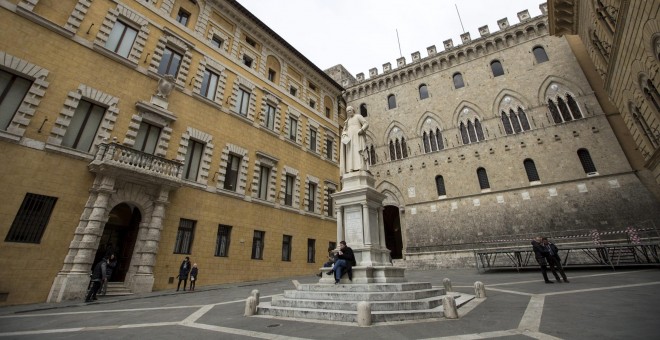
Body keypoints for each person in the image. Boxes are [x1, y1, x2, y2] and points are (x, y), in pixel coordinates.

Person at [339, 106, 369, 176]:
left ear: (353, 110)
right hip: (350, 140)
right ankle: (351, 168)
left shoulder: (358, 116)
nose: (349, 112)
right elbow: (345, 130)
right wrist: (344, 135)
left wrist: (362, 130)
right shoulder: (347, 121)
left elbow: (366, 123)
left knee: (358, 151)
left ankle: (360, 167)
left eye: (350, 110)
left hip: (358, 137)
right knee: (350, 153)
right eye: (347, 111)